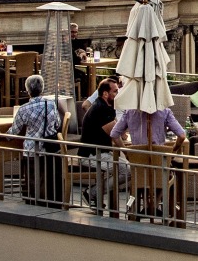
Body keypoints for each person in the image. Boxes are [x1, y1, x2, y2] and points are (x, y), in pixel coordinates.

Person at [6, 74, 64, 204]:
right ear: (42, 89)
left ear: (27, 90)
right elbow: (57, 124)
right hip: (50, 147)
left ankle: (34, 200)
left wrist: (2, 136)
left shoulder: (24, 109)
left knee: (33, 177)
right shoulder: (51, 104)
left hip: (32, 149)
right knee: (51, 177)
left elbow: (14, 131)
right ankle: (53, 200)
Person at [78, 77, 123, 208]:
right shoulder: (100, 109)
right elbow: (115, 135)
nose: (117, 94)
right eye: (115, 91)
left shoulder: (106, 106)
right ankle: (92, 193)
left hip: (100, 152)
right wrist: (127, 151)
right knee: (126, 170)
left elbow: (118, 130)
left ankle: (94, 193)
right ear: (105, 93)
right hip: (91, 154)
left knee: (122, 168)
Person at [112, 100, 188, 148]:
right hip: (159, 158)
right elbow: (182, 136)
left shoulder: (129, 112)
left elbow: (114, 134)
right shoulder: (164, 111)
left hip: (137, 158)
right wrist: (173, 152)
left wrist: (126, 153)